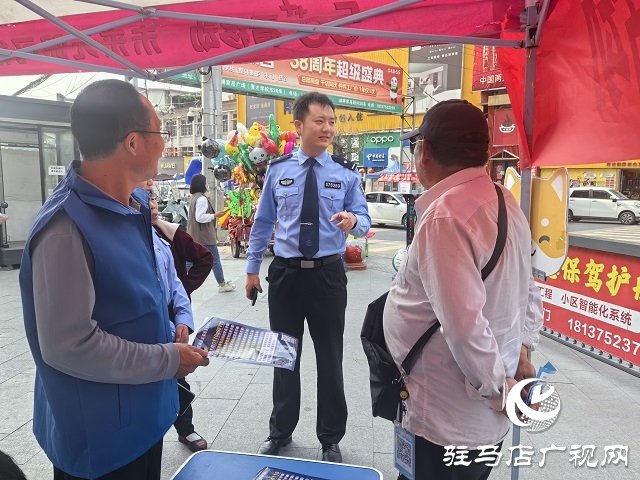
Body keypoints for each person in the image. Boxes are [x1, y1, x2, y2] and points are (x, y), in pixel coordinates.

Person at [19, 79, 209, 480]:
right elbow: (70, 347)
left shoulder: (133, 206)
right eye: (160, 131)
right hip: (100, 439)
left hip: (144, 417)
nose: (165, 143)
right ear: (134, 143)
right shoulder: (66, 229)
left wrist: (175, 322)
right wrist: (169, 358)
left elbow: (145, 288)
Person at [384, 100, 543, 480]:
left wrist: (501, 392)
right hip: (478, 405)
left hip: (448, 416)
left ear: (424, 151)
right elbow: (528, 287)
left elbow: (464, 325)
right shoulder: (503, 199)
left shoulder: (445, 216)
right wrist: (522, 351)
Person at [245, 91, 371, 463]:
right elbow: (263, 222)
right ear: (299, 125)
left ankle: (330, 438)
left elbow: (364, 220)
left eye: (332, 121)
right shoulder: (278, 169)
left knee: (330, 358)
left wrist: (353, 220)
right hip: (285, 275)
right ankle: (280, 431)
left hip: (327, 276)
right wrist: (251, 270)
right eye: (320, 121)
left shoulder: (345, 173)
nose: (328, 128)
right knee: (283, 355)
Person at [139, 181, 213, 452]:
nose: (153, 205)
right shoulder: (128, 239)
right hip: (148, 331)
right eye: (145, 198)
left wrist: (182, 318)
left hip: (169, 323)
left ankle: (186, 428)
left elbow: (175, 283)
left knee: (178, 378)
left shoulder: (163, 236)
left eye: (152, 198)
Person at [187, 173, 236, 293]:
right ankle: (222, 284)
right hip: (204, 236)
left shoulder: (193, 197)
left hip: (194, 234)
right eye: (206, 182)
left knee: (189, 260)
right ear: (201, 184)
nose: (207, 184)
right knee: (215, 260)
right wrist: (214, 215)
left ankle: (180, 281)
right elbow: (199, 217)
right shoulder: (202, 199)